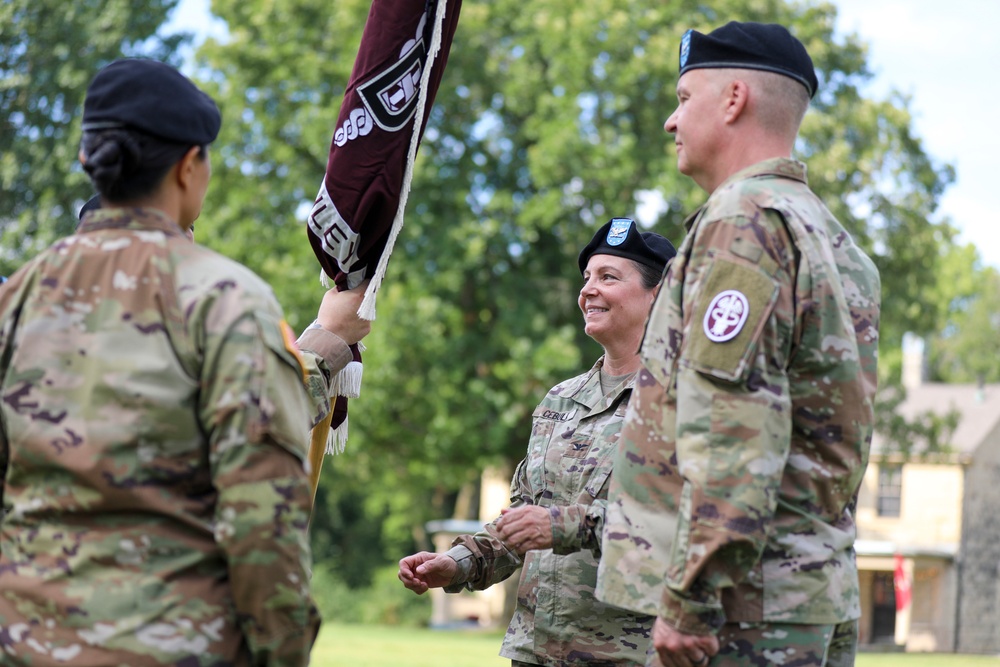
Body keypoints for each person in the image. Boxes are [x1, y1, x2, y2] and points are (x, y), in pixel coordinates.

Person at [0, 58, 371, 666]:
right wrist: (282, 651)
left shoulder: (16, 301)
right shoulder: (224, 298)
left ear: (89, 162)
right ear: (187, 167)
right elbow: (262, 522)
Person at [594, 22, 882, 667]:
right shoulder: (835, 241)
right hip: (807, 592)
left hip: (741, 611)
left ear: (732, 99)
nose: (671, 121)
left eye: (684, 97)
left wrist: (694, 598)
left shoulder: (742, 221)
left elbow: (734, 426)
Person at [398, 218, 676, 667]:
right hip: (535, 652)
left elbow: (685, 527)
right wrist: (456, 563)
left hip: (634, 656)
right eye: (586, 278)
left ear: (660, 295)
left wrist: (566, 525)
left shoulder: (686, 399)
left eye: (609, 277)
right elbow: (521, 523)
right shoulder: (559, 401)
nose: (588, 290)